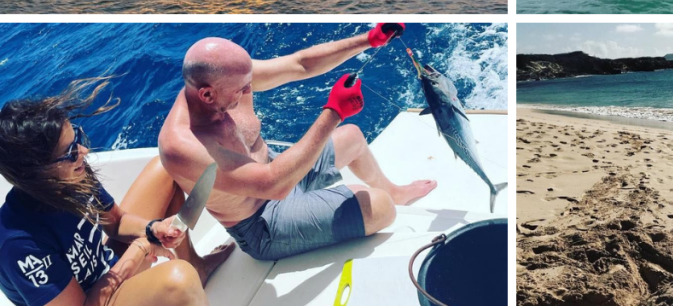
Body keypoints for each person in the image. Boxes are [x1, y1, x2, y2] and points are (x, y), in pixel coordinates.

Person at [158, 23, 438, 261]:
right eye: (242, 89)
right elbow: (273, 185)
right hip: (262, 222)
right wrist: (334, 113)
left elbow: (300, 64)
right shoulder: (183, 144)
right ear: (207, 95)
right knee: (381, 207)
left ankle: (396, 191)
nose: (248, 90)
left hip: (275, 171)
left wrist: (368, 40)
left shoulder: (227, 78)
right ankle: (368, 200)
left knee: (352, 137)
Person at [0, 78, 234, 306]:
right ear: (37, 174)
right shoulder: (18, 244)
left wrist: (153, 229)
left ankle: (197, 269)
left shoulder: (71, 175)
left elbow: (116, 222)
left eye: (77, 138)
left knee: (164, 169)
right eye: (71, 152)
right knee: (179, 279)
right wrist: (138, 250)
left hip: (106, 272)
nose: (83, 150)